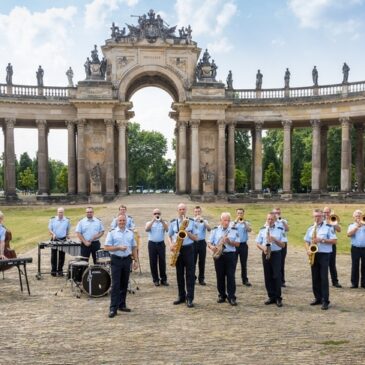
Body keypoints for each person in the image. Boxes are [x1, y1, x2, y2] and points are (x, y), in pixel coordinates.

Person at [104, 215, 138, 318]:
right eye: (120, 220)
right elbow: (106, 247)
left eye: (123, 220)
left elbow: (134, 247)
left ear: (126, 222)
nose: (122, 222)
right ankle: (113, 308)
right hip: (116, 260)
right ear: (117, 222)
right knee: (115, 285)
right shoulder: (112, 233)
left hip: (127, 260)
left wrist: (135, 260)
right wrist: (118, 247)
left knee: (124, 284)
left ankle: (121, 305)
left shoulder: (130, 233)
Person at [304, 208, 337, 310]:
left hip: (324, 254)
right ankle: (317, 297)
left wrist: (321, 240)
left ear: (322, 216)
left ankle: (325, 300)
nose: (317, 218)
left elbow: (334, 241)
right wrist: (308, 249)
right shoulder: (310, 228)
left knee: (323, 277)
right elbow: (306, 241)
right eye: (315, 216)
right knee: (315, 277)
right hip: (314, 254)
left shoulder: (328, 227)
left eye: (318, 216)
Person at [168, 203, 198, 308]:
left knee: (190, 274)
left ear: (186, 210)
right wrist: (171, 244)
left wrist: (186, 232)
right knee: (179, 274)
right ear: (178, 210)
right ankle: (181, 296)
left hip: (189, 249)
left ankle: (190, 298)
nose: (182, 211)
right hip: (178, 249)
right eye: (180, 209)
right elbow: (169, 235)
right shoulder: (173, 222)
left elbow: (196, 238)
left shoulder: (192, 222)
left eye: (183, 209)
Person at [208, 212, 239, 305]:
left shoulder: (234, 230)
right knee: (220, 276)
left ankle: (231, 297)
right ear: (221, 220)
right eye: (225, 220)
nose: (227, 222)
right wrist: (212, 247)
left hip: (230, 255)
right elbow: (209, 242)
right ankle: (222, 295)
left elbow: (238, 244)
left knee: (230, 276)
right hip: (219, 255)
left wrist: (229, 241)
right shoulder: (215, 230)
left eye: (228, 220)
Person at [256, 213, 286, 307]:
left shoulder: (280, 230)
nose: (270, 221)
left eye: (272, 219)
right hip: (265, 253)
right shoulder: (262, 229)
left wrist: (274, 239)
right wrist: (263, 248)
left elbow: (283, 245)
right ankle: (271, 296)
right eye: (268, 219)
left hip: (276, 254)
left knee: (276, 275)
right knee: (267, 275)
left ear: (275, 220)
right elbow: (258, 243)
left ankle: (278, 297)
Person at [145, 208, 169, 286]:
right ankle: (155, 279)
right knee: (153, 262)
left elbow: (167, 229)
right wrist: (153, 221)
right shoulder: (149, 222)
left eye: (158, 213)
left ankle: (163, 279)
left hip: (161, 244)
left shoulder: (164, 222)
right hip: (152, 244)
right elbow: (147, 229)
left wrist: (161, 221)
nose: (157, 215)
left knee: (162, 262)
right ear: (153, 215)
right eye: (155, 213)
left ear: (160, 214)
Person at [231, 208, 252, 286]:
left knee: (244, 263)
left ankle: (245, 280)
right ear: (236, 214)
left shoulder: (246, 222)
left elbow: (249, 230)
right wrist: (236, 221)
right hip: (235, 245)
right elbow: (230, 228)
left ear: (243, 214)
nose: (240, 214)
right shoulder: (233, 222)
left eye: (241, 213)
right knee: (233, 263)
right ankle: (232, 279)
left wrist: (244, 224)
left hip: (243, 245)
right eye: (238, 213)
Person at [48, 207, 71, 277]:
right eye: (59, 212)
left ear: (63, 213)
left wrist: (67, 235)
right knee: (54, 256)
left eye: (62, 212)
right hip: (54, 239)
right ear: (57, 212)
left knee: (62, 256)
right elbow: (49, 229)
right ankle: (54, 271)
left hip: (63, 239)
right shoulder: (52, 219)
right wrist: (53, 234)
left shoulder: (67, 220)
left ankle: (60, 270)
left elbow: (68, 229)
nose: (60, 213)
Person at [323, 206, 342, 288]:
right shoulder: (321, 221)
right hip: (323, 244)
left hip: (332, 244)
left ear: (330, 212)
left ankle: (335, 281)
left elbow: (339, 230)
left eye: (328, 212)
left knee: (332, 264)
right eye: (325, 212)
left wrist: (334, 223)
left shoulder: (333, 220)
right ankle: (323, 281)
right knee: (323, 264)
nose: (326, 214)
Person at [193, 206, 211, 285]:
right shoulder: (191, 221)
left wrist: (203, 221)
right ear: (194, 212)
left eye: (199, 212)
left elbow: (209, 229)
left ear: (201, 212)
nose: (197, 213)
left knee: (202, 261)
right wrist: (194, 221)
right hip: (193, 243)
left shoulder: (204, 221)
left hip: (202, 242)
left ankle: (201, 278)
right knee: (192, 261)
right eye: (196, 212)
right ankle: (192, 277)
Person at [347, 210, 365, 289]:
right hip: (355, 248)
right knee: (355, 265)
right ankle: (354, 283)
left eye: (359, 216)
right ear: (354, 217)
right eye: (356, 216)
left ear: (362, 217)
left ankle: (364, 283)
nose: (358, 217)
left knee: (364, 265)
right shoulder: (351, 225)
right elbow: (349, 234)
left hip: (364, 248)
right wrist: (357, 227)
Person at [272, 207, 289, 287]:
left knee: (282, 262)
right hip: (274, 243)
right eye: (275, 213)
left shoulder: (283, 221)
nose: (277, 214)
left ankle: (282, 280)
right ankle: (275, 279)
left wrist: (282, 222)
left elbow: (287, 229)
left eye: (278, 212)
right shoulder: (270, 221)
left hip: (283, 242)